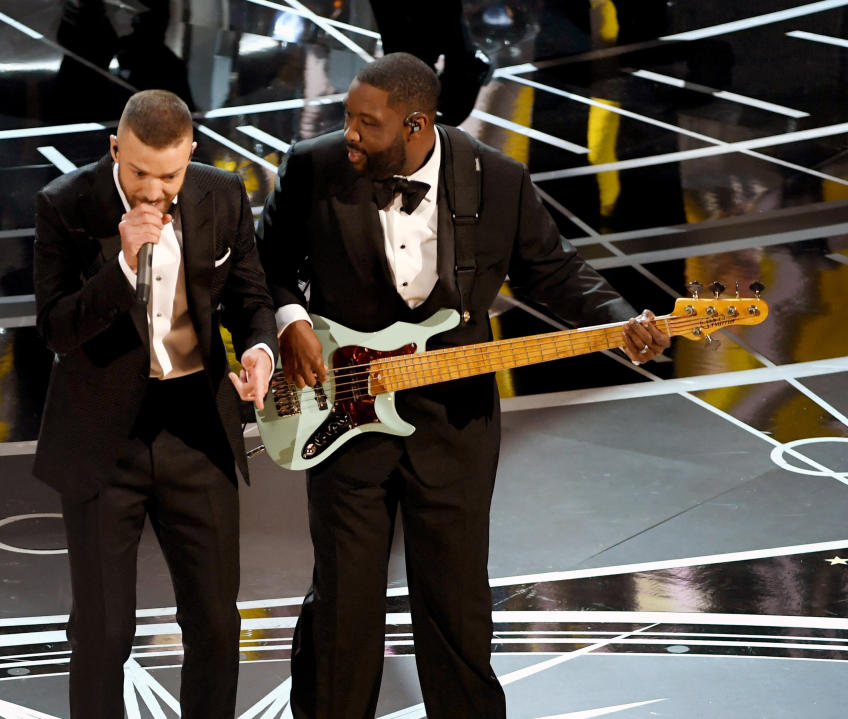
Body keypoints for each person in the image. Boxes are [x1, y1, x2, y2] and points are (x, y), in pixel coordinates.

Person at [256, 53, 668, 718]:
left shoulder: (496, 180)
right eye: (347, 118)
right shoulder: (315, 166)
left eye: (368, 123)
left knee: (455, 610)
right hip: (343, 417)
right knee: (342, 607)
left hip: (455, 423)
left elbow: (553, 271)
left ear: (416, 124)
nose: (350, 134)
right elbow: (264, 262)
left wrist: (622, 323)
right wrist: (290, 318)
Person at [33, 89, 277, 719]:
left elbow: (252, 296)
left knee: (217, 626)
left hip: (197, 430)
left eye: (168, 175)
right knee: (104, 633)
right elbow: (56, 329)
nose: (153, 189)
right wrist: (120, 264)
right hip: (101, 441)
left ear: (191, 156)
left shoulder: (221, 194)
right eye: (138, 171)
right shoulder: (66, 206)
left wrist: (259, 350)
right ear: (116, 150)